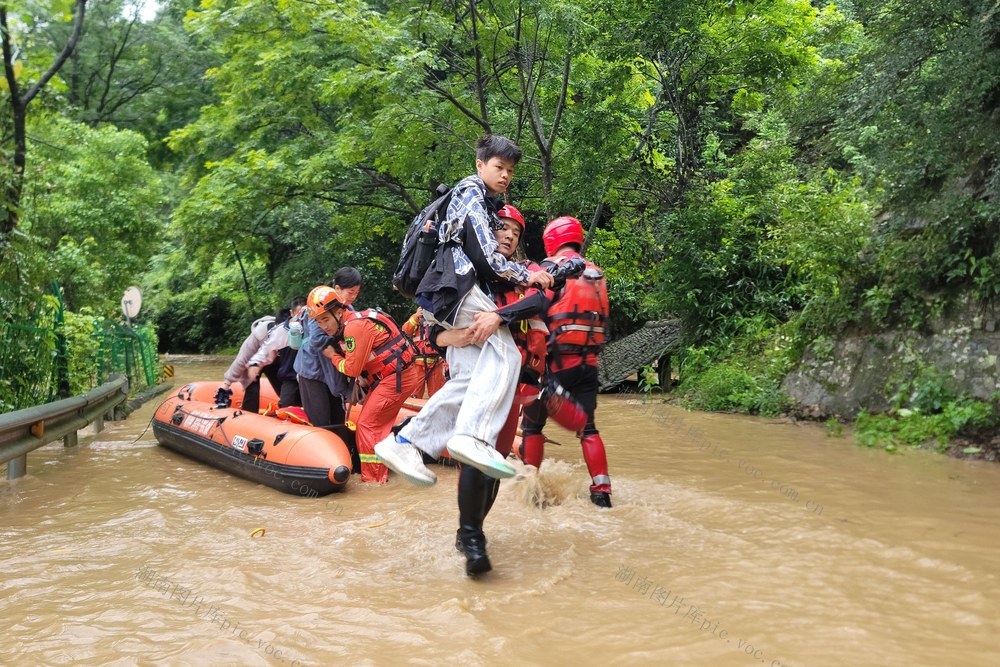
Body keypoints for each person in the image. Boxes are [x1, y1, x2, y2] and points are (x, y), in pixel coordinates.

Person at [374, 134, 554, 494]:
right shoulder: (471, 192)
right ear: (480, 164)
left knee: (468, 380)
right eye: (499, 167)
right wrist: (526, 275)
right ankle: (473, 436)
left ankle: (405, 442)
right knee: (506, 354)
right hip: (456, 285)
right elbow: (486, 256)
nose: (505, 175)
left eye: (510, 170)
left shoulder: (479, 199)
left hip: (442, 293)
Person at [433, 204, 552, 574]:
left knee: (496, 460)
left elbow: (541, 299)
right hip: (475, 379)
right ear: (486, 229)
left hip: (512, 382)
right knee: (475, 452)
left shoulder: (527, 272)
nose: (510, 236)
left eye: (516, 232)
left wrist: (498, 317)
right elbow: (431, 332)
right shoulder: (464, 273)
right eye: (502, 227)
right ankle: (472, 538)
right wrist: (454, 336)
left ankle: (472, 528)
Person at [520, 216, 613, 508]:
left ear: (551, 240)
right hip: (588, 365)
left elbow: (534, 309)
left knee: (532, 427)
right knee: (588, 429)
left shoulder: (550, 269)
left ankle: (532, 490)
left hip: (554, 366)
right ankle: (601, 492)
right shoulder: (596, 274)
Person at [307, 285, 423, 484]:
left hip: (396, 378)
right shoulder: (351, 325)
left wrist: (333, 356)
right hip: (393, 377)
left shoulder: (354, 328)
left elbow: (351, 369)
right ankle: (381, 473)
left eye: (325, 319)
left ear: (339, 311)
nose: (323, 326)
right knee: (376, 425)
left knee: (367, 425)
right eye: (319, 321)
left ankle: (373, 481)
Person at [294, 267, 362, 428]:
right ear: (337, 288)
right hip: (312, 371)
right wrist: (342, 343)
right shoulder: (319, 304)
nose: (353, 297)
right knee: (320, 421)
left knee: (338, 418)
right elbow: (317, 340)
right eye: (350, 292)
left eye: (356, 293)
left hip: (334, 370)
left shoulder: (348, 309)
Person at [243, 296, 307, 412]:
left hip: (311, 376)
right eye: (298, 314)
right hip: (291, 376)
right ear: (292, 313)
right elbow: (267, 349)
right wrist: (255, 364)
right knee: (286, 406)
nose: (301, 318)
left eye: (304, 314)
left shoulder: (315, 327)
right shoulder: (281, 330)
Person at [221, 314, 276, 407]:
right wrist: (227, 383)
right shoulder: (258, 336)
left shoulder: (288, 335)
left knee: (284, 388)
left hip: (276, 361)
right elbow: (241, 360)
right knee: (251, 387)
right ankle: (249, 411)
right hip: (253, 362)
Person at [401, 308, 447, 399]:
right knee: (414, 395)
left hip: (436, 362)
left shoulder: (439, 318)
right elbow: (404, 332)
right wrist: (416, 316)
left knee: (437, 396)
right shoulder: (417, 319)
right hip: (418, 364)